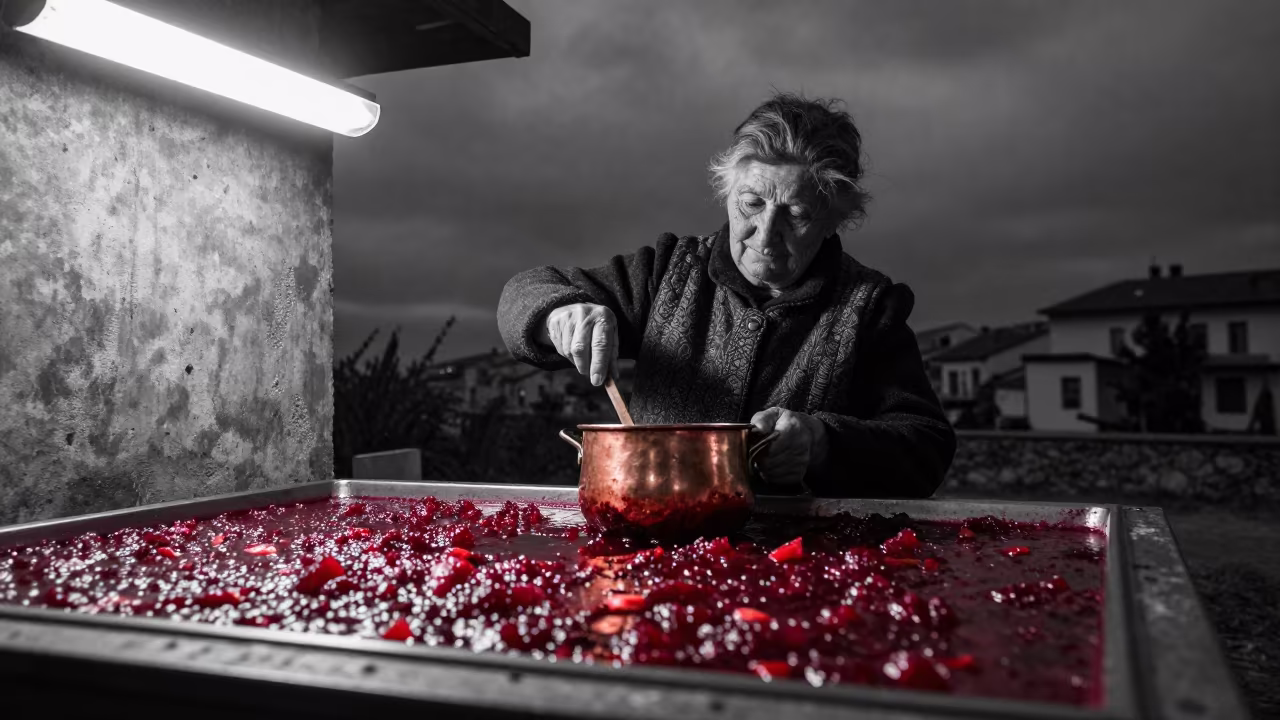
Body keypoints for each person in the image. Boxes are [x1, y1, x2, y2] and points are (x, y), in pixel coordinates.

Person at [497, 92, 955, 497]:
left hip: (799, 565)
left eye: (795, 214)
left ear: (836, 218)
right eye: (751, 203)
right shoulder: (665, 272)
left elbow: (926, 451)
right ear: (727, 192)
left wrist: (822, 443)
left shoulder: (871, 308)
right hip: (656, 546)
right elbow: (524, 290)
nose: (766, 235)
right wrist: (559, 313)